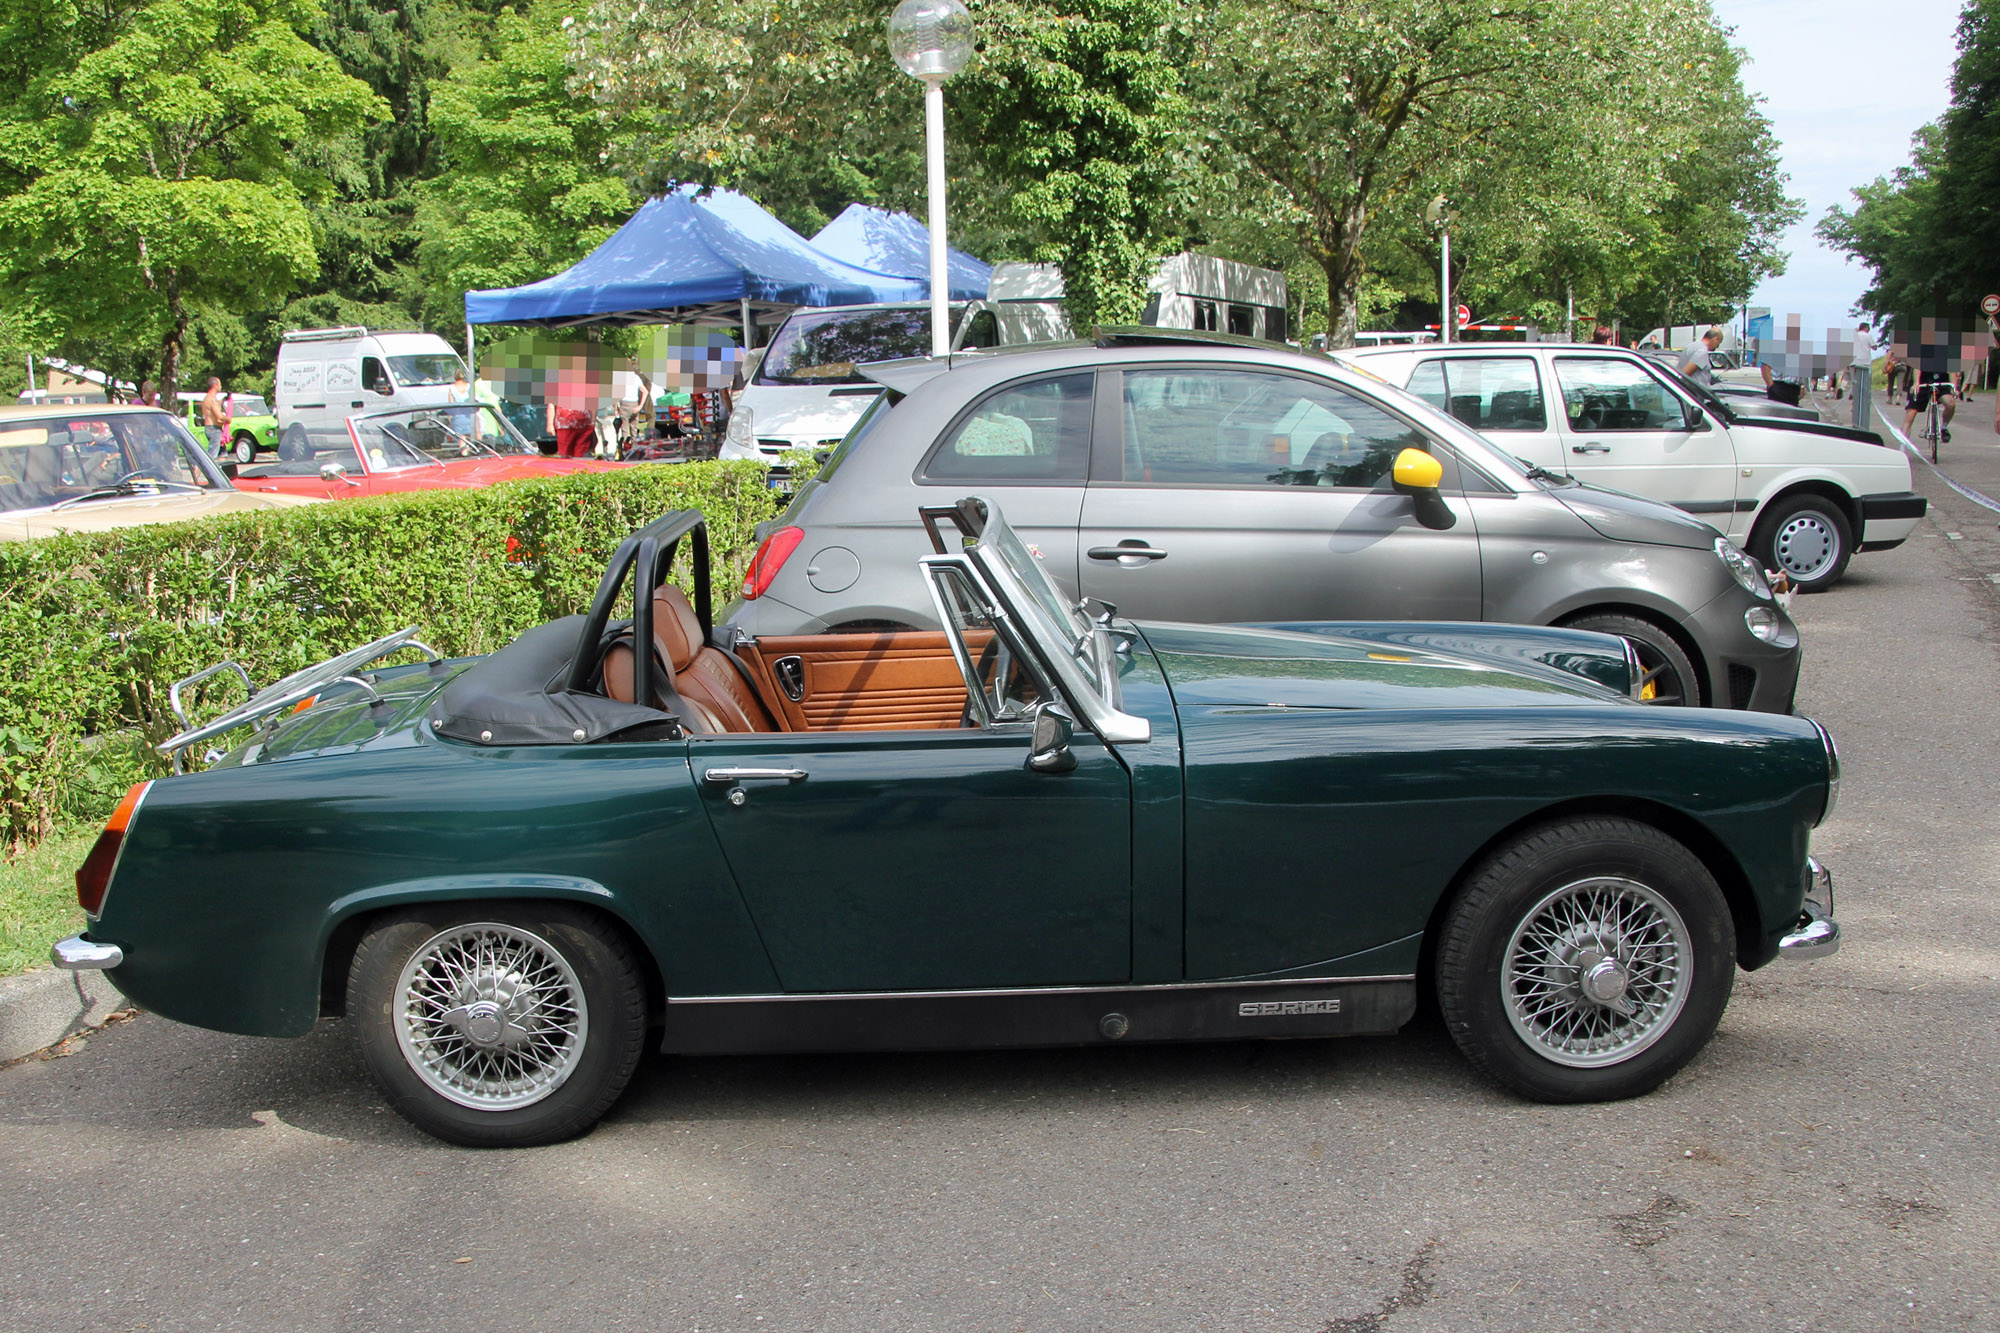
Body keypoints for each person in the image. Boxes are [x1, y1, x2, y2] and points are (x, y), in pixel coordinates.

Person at [1847, 322, 1875, 428]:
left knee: (1854, 382)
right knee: (1864, 383)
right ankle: (1861, 401)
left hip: (1853, 361)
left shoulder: (1854, 335)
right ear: (1866, 328)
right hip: (1864, 362)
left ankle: (1854, 400)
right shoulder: (1868, 336)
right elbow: (1874, 347)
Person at [200, 377, 230, 457]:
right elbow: (219, 416)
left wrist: (224, 400)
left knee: (222, 454)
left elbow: (214, 409)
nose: (221, 386)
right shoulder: (211, 399)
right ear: (215, 386)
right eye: (220, 384)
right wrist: (228, 419)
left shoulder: (207, 398)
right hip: (214, 429)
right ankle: (200, 468)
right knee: (212, 455)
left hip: (211, 428)